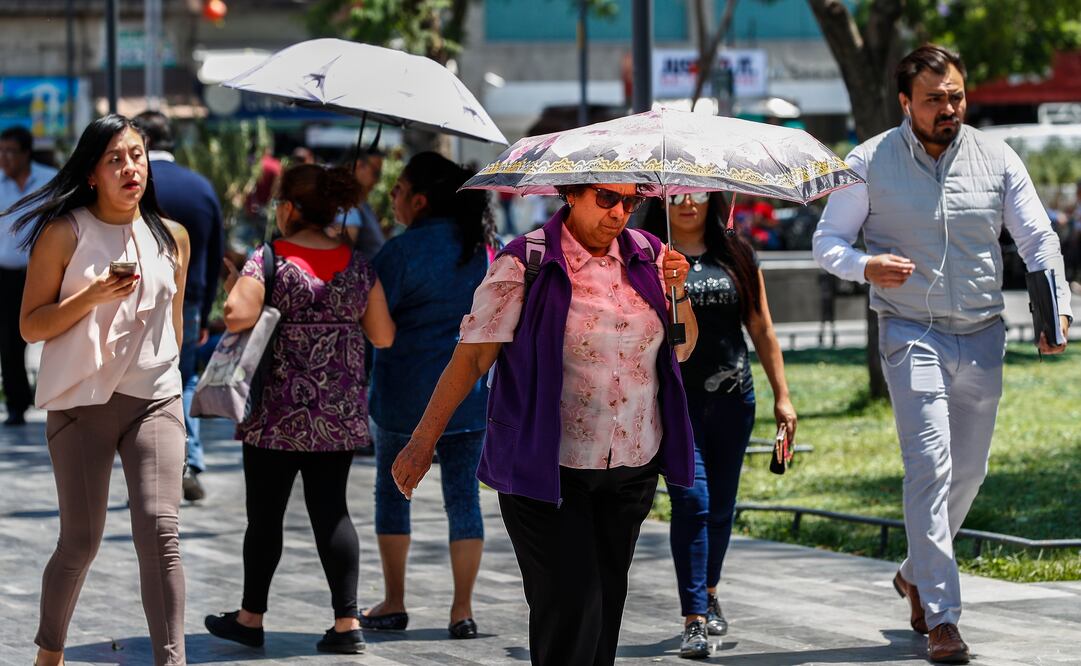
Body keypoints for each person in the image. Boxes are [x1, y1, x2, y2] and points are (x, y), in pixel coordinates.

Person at [812, 44, 1071, 664]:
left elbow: (1036, 236)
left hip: (982, 333)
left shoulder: (997, 156)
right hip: (909, 332)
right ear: (906, 103)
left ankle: (913, 572)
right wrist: (866, 264)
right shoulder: (868, 162)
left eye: (955, 95)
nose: (949, 107)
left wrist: (1054, 307)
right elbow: (829, 242)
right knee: (928, 468)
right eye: (934, 99)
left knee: (970, 473)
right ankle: (942, 618)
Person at [391, 181, 699, 665]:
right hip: (547, 469)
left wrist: (677, 289)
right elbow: (471, 361)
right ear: (571, 195)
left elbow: (682, 346)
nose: (619, 212)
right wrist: (421, 442)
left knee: (604, 610)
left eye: (630, 201)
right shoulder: (525, 262)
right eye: (606, 198)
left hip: (630, 468)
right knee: (572, 605)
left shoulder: (650, 255)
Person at [12, 114, 190, 666]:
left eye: (136, 155)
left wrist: (173, 377)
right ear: (92, 173)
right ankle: (49, 652)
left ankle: (172, 658)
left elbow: (176, 324)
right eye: (115, 158)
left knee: (160, 529)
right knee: (82, 541)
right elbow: (30, 326)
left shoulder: (171, 235)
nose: (130, 167)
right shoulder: (65, 233)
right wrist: (89, 297)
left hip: (155, 398)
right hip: (81, 405)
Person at [203, 163, 394, 654]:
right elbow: (383, 335)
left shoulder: (271, 257)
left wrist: (240, 281)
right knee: (332, 513)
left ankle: (250, 618)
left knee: (264, 517)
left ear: (288, 208)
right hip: (337, 415)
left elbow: (236, 315)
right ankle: (347, 624)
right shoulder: (357, 264)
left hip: (275, 415)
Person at [643, 192, 796, 659]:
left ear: (714, 196)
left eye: (699, 192)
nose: (689, 202)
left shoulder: (737, 254)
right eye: (677, 194)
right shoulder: (649, 255)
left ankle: (709, 591)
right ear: (661, 200)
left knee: (723, 507)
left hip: (734, 401)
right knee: (693, 501)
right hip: (676, 405)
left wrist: (783, 397)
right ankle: (693, 619)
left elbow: (762, 327)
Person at [360, 152, 495, 639]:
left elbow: (377, 329)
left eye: (396, 190)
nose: (392, 197)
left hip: (403, 395)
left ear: (418, 200)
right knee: (463, 500)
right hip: (470, 396)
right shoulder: (483, 249)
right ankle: (462, 610)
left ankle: (394, 601)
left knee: (393, 494)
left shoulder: (398, 253)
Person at [135, 110, 224, 502]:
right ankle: (188, 460)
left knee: (141, 383)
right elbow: (215, 252)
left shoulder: (134, 184)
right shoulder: (201, 188)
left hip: (135, 298)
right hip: (188, 299)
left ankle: (150, 467)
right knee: (183, 379)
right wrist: (204, 311)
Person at [0, 125, 57, 425]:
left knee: (56, 333)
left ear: (25, 153)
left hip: (43, 270)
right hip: (6, 275)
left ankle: (57, 395)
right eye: (1, 151)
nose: (4, 158)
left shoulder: (49, 181)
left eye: (10, 151)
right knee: (9, 342)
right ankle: (16, 404)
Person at [339, 148, 386, 260]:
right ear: (359, 166)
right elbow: (343, 253)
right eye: (376, 173)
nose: (377, 180)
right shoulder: (348, 205)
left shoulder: (360, 203)